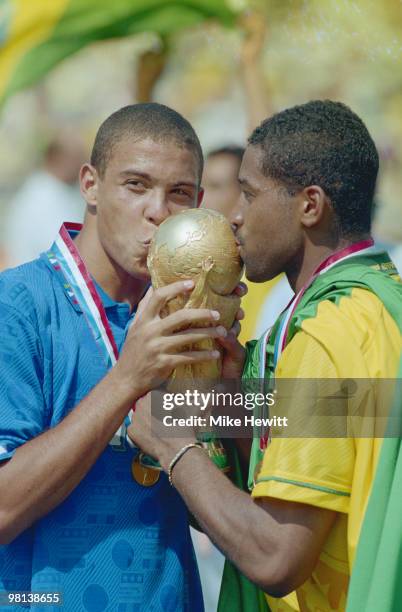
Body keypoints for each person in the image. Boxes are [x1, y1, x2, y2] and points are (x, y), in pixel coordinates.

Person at [128, 100, 402, 611]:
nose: (234, 215)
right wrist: (233, 403)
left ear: (310, 205)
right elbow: (351, 438)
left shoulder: (327, 334)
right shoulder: (378, 303)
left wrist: (172, 444)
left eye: (250, 195)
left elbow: (277, 557)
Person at [0, 103, 242, 611]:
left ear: (198, 203)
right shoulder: (16, 306)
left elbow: (218, 512)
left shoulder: (191, 316)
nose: (158, 211)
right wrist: (126, 380)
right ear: (90, 185)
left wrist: (225, 396)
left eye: (179, 193)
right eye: (136, 185)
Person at [4, 132, 86, 267]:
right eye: (77, 159)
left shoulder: (49, 190)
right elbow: (63, 252)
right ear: (58, 158)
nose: (82, 166)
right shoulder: (43, 198)